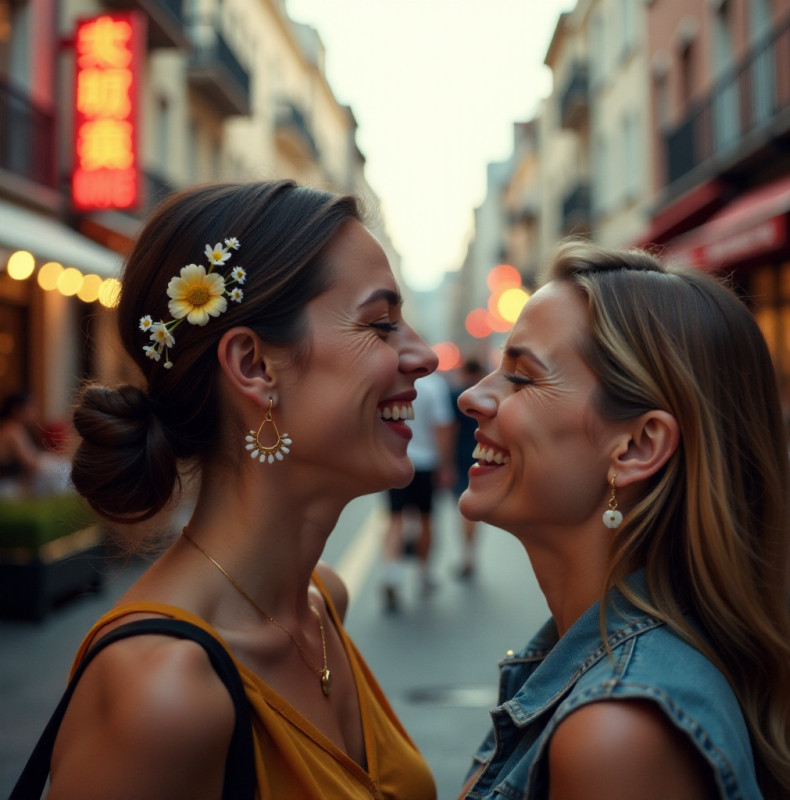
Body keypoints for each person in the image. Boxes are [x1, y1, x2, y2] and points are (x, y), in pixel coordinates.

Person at [49, 181, 439, 800]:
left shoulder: (319, 604)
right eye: (382, 323)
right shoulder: (161, 690)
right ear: (254, 366)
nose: (424, 355)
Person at [456, 240, 790, 800]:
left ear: (639, 445)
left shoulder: (614, 734)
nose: (472, 397)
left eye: (521, 378)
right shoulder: (605, 669)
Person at [381, 369, 454, 611]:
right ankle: (424, 574)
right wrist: (445, 464)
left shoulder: (390, 383)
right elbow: (442, 426)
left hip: (395, 459)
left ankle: (392, 574)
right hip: (425, 462)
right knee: (426, 519)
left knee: (395, 518)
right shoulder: (434, 385)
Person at [449, 358, 486, 580]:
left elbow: (449, 429)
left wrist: (445, 463)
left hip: (459, 456)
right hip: (482, 454)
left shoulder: (456, 396)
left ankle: (467, 556)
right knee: (474, 512)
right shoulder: (485, 397)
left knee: (463, 509)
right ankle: (470, 555)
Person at [0, 393, 70, 498]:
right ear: (17, 410)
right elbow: (32, 463)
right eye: (31, 408)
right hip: (6, 487)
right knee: (61, 471)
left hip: (11, 483)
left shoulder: (12, 427)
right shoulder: (12, 430)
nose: (34, 413)